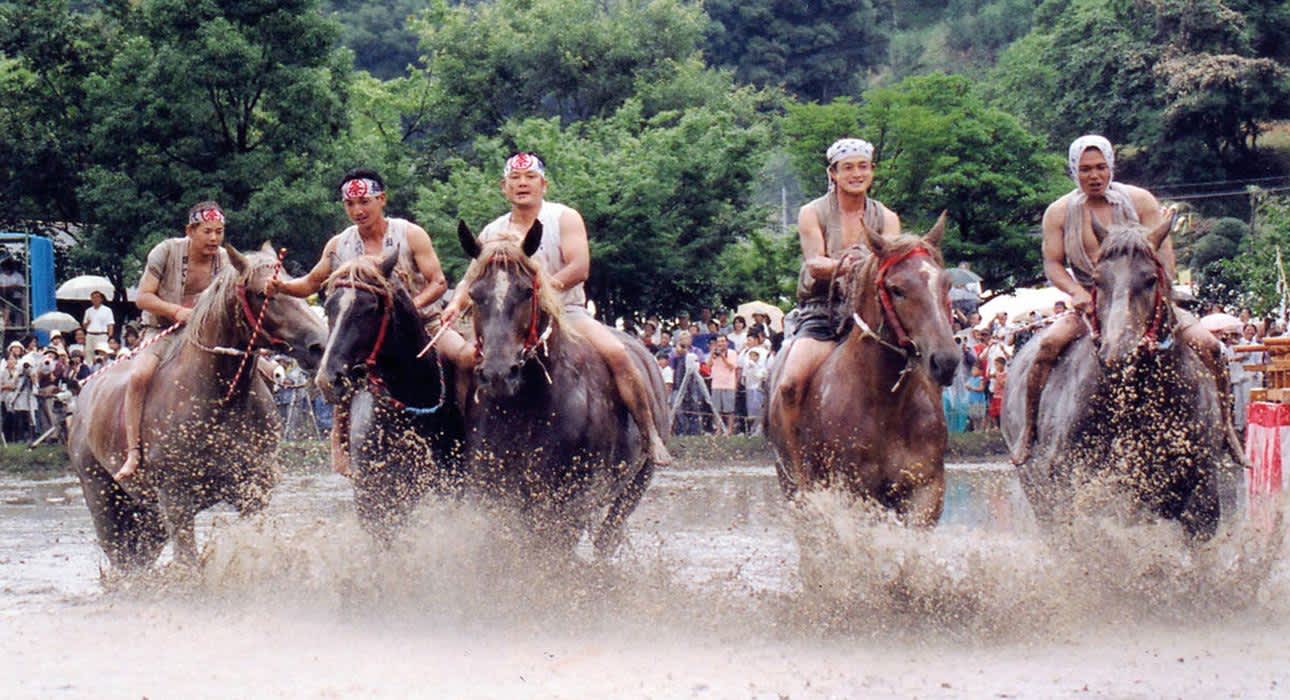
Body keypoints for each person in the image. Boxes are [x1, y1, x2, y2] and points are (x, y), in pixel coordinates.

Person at [1015, 134, 1243, 464]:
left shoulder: (1140, 201)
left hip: (1145, 299)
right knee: (1047, 346)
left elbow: (1164, 255)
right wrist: (1077, 293)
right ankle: (1029, 431)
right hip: (1090, 300)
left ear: (1111, 167)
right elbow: (1052, 262)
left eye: (1100, 167)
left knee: (1209, 346)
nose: (1094, 176)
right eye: (1085, 169)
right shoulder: (1059, 213)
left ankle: (1226, 430)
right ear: (1073, 171)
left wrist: (1156, 296)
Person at [441, 152, 673, 466]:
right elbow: (474, 279)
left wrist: (541, 292)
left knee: (616, 353)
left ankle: (649, 435)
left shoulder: (564, 217)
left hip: (567, 311)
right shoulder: (492, 231)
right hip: (508, 319)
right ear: (504, 187)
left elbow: (579, 267)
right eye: (515, 179)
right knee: (466, 360)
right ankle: (461, 442)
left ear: (543, 184)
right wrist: (455, 304)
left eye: (530, 178)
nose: (522, 184)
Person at [268, 168, 466, 475]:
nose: (357, 210)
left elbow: (438, 282)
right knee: (336, 368)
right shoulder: (339, 245)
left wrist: (406, 312)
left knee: (465, 358)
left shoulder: (409, 234)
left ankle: (473, 425)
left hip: (422, 325)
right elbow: (309, 283)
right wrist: (280, 286)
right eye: (350, 204)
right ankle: (340, 443)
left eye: (364, 202)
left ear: (381, 199)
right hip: (365, 332)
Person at [770, 137, 900, 471]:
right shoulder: (812, 212)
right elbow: (816, 264)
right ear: (833, 173)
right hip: (823, 312)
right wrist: (862, 265)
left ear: (872, 171)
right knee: (789, 384)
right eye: (848, 168)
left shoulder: (887, 217)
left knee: (922, 369)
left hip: (873, 315)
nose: (856, 174)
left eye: (863, 166)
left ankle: (919, 447)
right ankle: (797, 465)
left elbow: (893, 267)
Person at [115, 201, 231, 481]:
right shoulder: (165, 251)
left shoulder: (224, 259)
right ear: (190, 231)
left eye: (219, 231)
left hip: (205, 334)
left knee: (260, 369)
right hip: (162, 330)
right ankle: (133, 452)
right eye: (207, 231)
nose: (214, 238)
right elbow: (143, 297)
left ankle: (253, 447)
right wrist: (176, 311)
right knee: (139, 376)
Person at [738, 328, 772, 435]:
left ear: (757, 340)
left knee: (759, 408)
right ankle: (752, 430)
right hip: (748, 384)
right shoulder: (745, 352)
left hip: (759, 384)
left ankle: (760, 430)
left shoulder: (764, 352)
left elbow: (767, 368)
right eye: (747, 339)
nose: (748, 342)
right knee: (750, 409)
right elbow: (741, 366)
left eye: (751, 339)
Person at [708, 335, 737, 434]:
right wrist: (712, 354)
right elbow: (708, 366)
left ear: (727, 343)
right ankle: (718, 429)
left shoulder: (732, 353)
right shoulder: (714, 354)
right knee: (717, 409)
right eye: (719, 341)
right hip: (716, 383)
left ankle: (729, 430)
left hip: (728, 383)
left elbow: (731, 366)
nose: (721, 343)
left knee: (729, 409)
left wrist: (722, 357)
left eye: (723, 341)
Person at [81, 290, 115, 357]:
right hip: (90, 335)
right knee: (89, 354)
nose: (95, 299)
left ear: (101, 299)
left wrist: (110, 337)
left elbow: (110, 324)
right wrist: (88, 323)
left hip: (102, 335)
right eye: (93, 297)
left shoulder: (107, 310)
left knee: (101, 353)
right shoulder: (88, 311)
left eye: (97, 297)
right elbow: (84, 326)